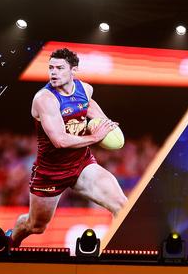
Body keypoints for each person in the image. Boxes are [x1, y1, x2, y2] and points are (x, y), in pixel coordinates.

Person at [10, 48, 127, 247]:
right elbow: (60, 141)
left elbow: (87, 105)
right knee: (36, 226)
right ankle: (10, 240)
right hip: (51, 172)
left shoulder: (85, 89)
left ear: (73, 70)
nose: (53, 72)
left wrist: (105, 122)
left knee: (123, 207)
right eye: (51, 68)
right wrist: (95, 137)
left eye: (60, 68)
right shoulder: (44, 99)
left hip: (82, 164)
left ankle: (112, 259)